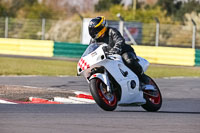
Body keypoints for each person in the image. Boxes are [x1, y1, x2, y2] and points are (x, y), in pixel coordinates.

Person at [88, 16, 149, 85]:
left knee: (129, 60)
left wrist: (116, 49)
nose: (94, 32)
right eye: (92, 30)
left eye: (95, 30)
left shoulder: (112, 31)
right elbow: (91, 50)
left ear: (101, 27)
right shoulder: (94, 40)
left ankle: (142, 77)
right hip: (108, 57)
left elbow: (120, 40)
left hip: (123, 51)